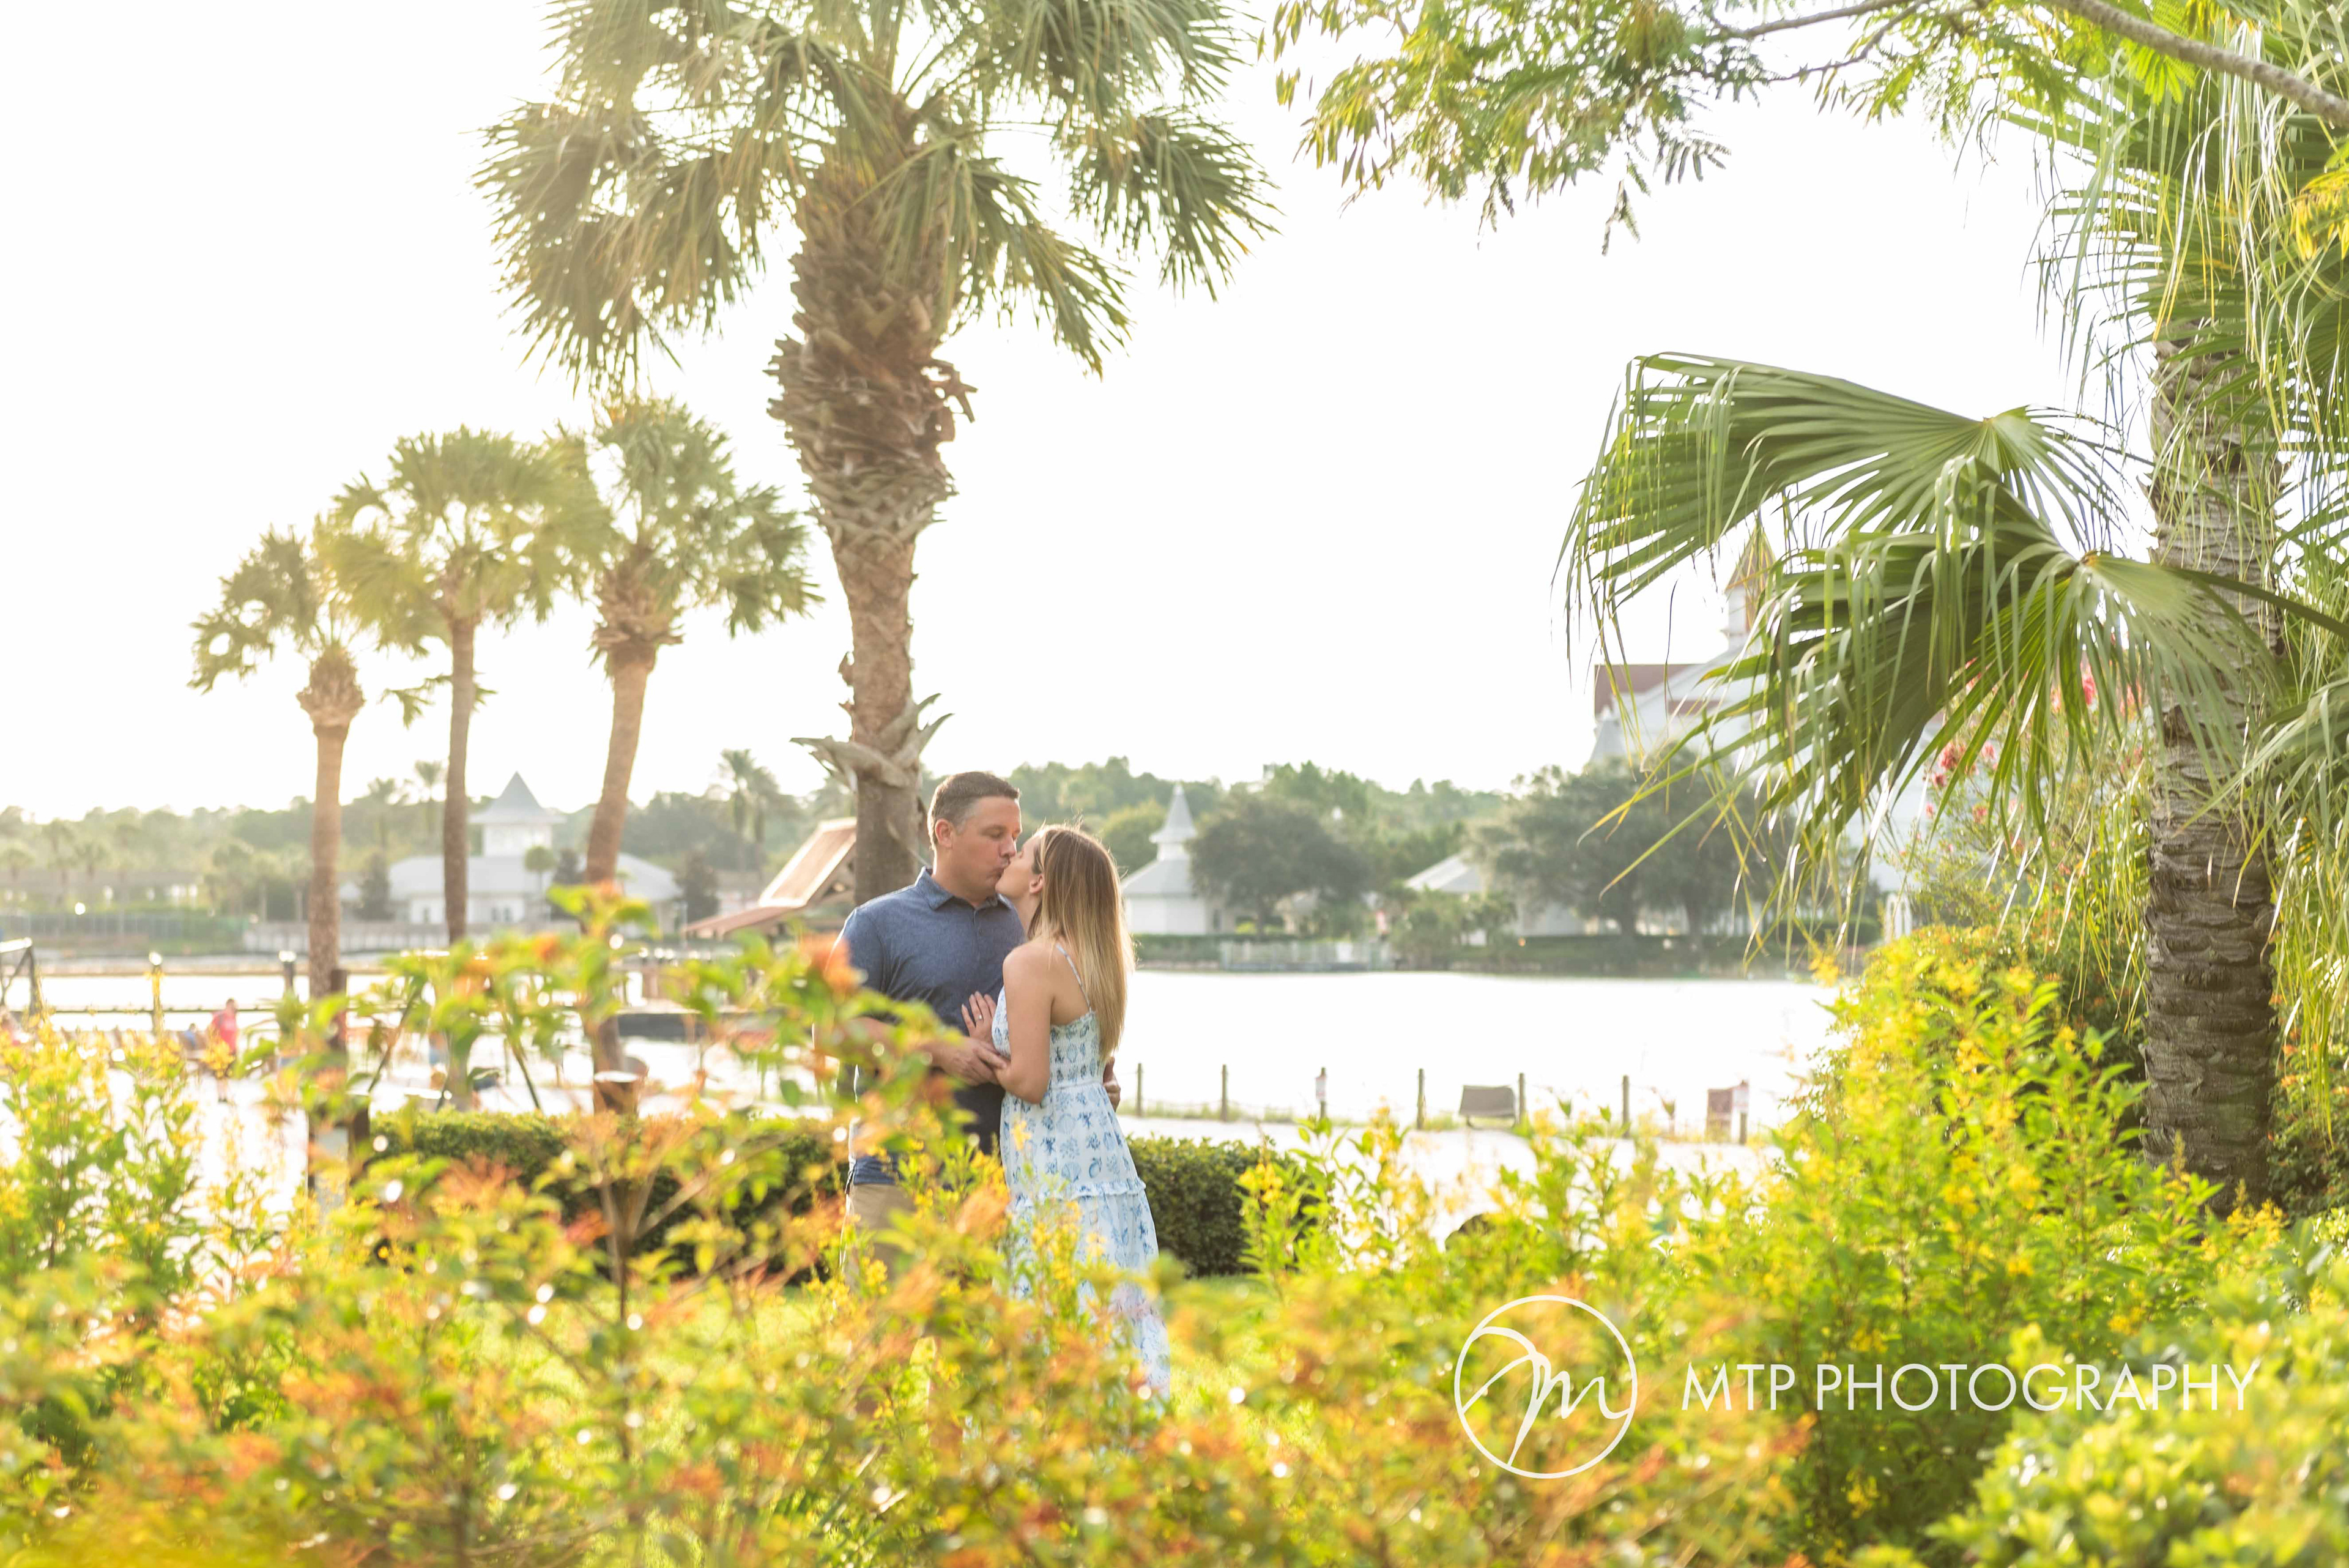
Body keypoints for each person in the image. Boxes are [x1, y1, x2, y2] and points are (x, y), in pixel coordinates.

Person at [834, 772, 1118, 1281]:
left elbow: (1072, 1027)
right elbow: (830, 1031)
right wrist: (939, 1050)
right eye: (995, 835)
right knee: (879, 1350)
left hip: (1004, 1182)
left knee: (983, 1357)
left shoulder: (1031, 923)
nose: (1010, 850)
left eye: (1016, 836)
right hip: (894, 1178)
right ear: (944, 833)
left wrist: (1092, 1083)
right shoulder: (876, 922)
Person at [964, 825, 1170, 1397]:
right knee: (1107, 1303)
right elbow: (1084, 1065)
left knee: (1054, 1292)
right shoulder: (1096, 959)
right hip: (1101, 1156)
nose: (1010, 852)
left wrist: (986, 1048)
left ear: (1038, 880)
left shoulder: (1030, 961)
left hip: (1054, 1158)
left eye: (1023, 850)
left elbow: (1030, 1081)